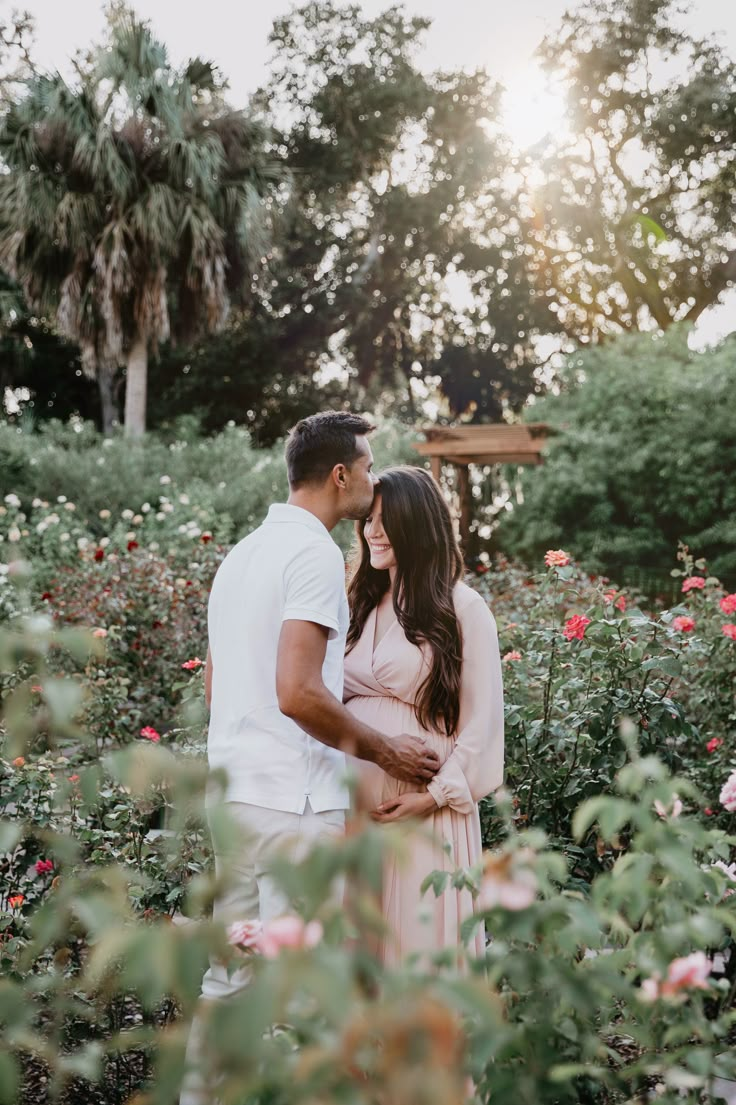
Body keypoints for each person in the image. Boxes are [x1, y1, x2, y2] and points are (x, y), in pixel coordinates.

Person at [180, 413, 440, 1105]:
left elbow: (217, 684)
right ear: (340, 475)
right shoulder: (316, 555)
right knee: (313, 991)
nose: (374, 477)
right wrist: (389, 750)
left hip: (232, 797)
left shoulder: (240, 555)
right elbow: (297, 692)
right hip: (291, 805)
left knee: (228, 981)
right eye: (369, 463)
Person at [344, 465, 504, 967]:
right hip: (353, 814)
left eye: (387, 519)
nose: (373, 530)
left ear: (418, 524)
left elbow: (481, 724)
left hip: (424, 815)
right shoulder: (359, 602)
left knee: (416, 956)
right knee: (355, 958)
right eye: (368, 518)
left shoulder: (462, 607)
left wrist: (432, 799)